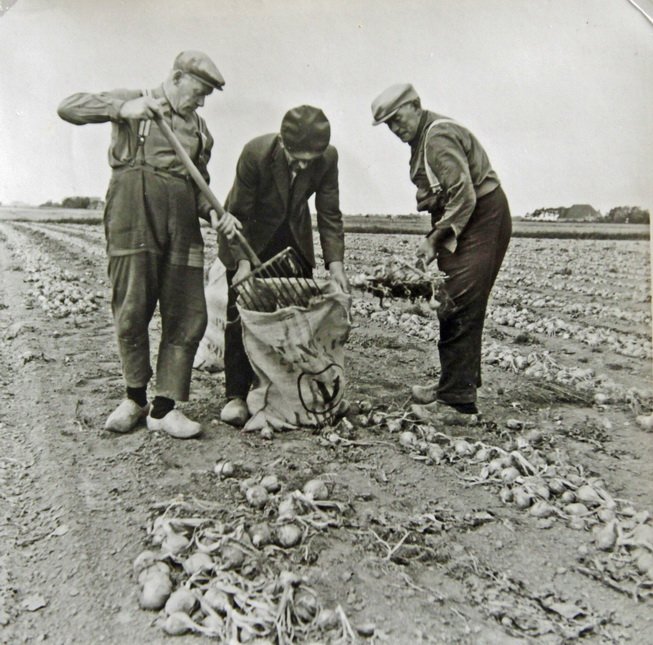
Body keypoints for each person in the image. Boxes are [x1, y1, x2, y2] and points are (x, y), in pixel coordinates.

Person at [57, 51, 241, 439]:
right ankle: (135, 398)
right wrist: (123, 109)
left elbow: (200, 186)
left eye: (207, 95)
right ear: (176, 78)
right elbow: (68, 107)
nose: (202, 101)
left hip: (181, 225)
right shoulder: (135, 101)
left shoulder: (200, 130)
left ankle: (164, 408)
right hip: (132, 217)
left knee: (188, 314)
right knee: (131, 309)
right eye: (199, 91)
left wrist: (214, 213)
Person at [370, 83, 511, 421]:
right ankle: (455, 384)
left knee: (458, 304)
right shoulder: (423, 140)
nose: (395, 128)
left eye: (398, 118)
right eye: (388, 124)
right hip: (467, 219)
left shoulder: (436, 137)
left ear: (415, 106)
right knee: (453, 303)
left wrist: (434, 240)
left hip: (480, 216)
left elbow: (464, 196)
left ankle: (457, 404)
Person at [218, 105, 349, 427]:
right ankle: (236, 394)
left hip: (293, 239)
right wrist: (243, 264)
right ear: (282, 142)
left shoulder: (328, 158)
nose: (303, 165)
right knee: (241, 313)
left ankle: (288, 392)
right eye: (297, 159)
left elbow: (329, 213)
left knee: (295, 315)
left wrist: (336, 265)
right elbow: (239, 213)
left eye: (309, 160)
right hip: (248, 235)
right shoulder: (256, 154)